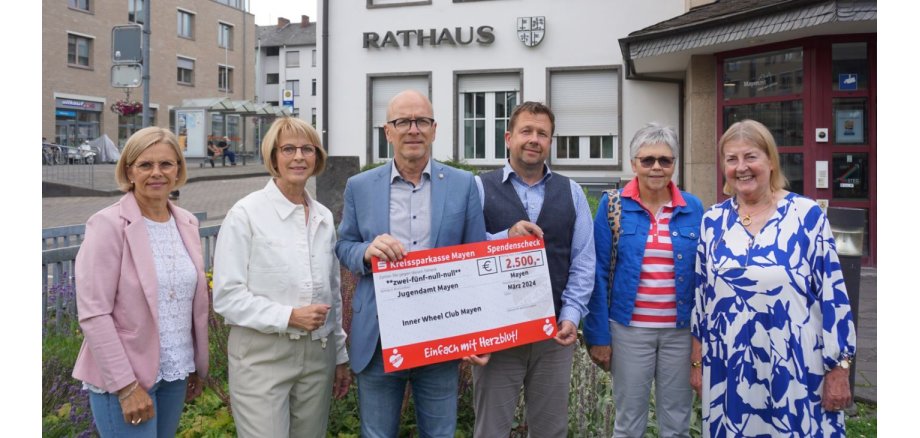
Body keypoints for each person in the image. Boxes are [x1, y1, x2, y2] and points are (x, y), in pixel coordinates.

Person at [335, 89, 487, 438]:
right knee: (377, 434)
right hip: (379, 338)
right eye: (402, 121)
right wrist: (366, 253)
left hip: (441, 334)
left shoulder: (464, 185)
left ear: (435, 129)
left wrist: (478, 334)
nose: (413, 129)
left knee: (440, 433)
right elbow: (344, 245)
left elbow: (477, 255)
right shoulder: (359, 186)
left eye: (421, 121)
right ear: (387, 131)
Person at [691, 119, 856, 436]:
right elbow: (701, 301)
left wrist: (839, 368)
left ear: (770, 161)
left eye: (750, 156)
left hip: (796, 367)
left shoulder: (806, 216)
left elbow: (833, 297)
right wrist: (697, 365)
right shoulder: (712, 221)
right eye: (732, 159)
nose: (742, 167)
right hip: (730, 369)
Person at [212, 117, 350, 437]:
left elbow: (332, 293)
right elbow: (227, 296)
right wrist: (288, 316)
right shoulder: (245, 215)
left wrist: (339, 355)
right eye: (288, 149)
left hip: (318, 354)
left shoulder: (323, 218)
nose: (299, 157)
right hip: (262, 356)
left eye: (307, 149)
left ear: (317, 157)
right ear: (273, 157)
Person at [72, 126, 209, 436]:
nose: (156, 173)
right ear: (129, 171)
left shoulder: (186, 222)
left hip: (175, 371)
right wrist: (125, 386)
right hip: (126, 378)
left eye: (166, 164)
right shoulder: (107, 225)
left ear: (178, 170)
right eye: (146, 165)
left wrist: (196, 366)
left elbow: (189, 303)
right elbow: (94, 313)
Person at [472, 101, 595, 437]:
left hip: (553, 334)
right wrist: (504, 237)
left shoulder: (571, 192)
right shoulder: (479, 188)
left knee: (551, 430)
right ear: (508, 137)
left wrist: (571, 315)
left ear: (550, 142)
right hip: (497, 335)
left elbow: (584, 261)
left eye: (542, 133)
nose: (534, 139)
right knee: (490, 430)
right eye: (527, 131)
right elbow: (464, 251)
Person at [583, 123, 704, 437]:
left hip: (680, 332)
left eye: (665, 160)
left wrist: (700, 341)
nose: (656, 167)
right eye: (647, 160)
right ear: (633, 163)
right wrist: (598, 336)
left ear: (674, 164)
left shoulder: (693, 209)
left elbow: (705, 276)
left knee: (677, 421)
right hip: (629, 331)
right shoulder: (613, 207)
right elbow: (597, 274)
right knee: (628, 422)